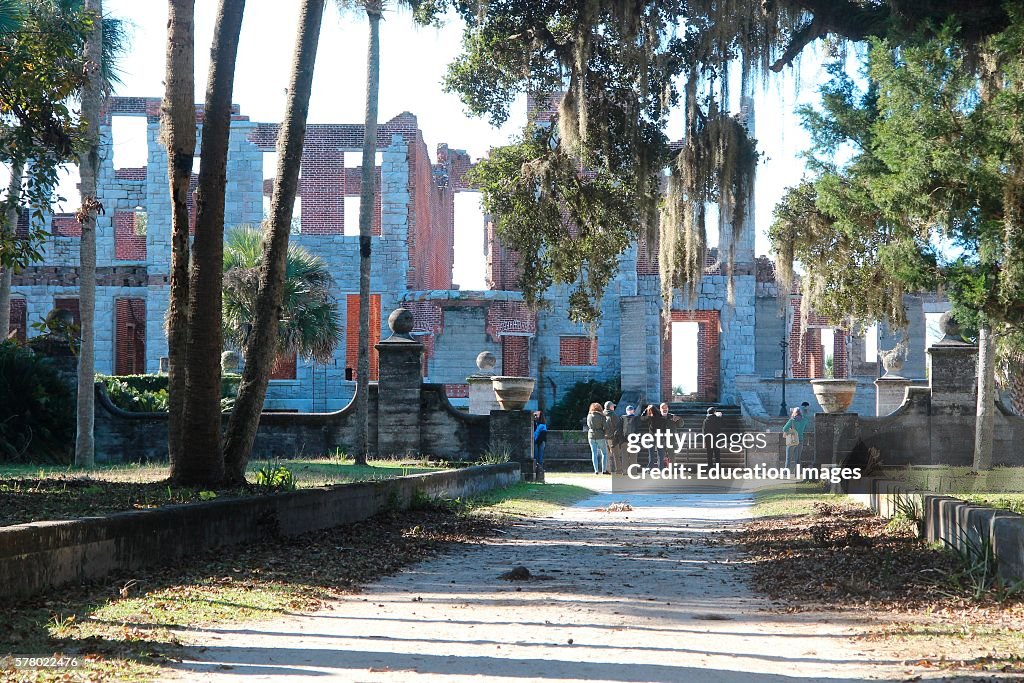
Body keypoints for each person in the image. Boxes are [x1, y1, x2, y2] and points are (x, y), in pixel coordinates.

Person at [641, 402, 680, 468]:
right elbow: (642, 419)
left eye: (665, 408)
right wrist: (646, 410)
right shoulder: (650, 416)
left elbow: (666, 426)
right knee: (651, 454)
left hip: (660, 437)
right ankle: (650, 467)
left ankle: (661, 468)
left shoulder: (662, 416)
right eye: (663, 408)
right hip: (652, 437)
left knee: (660, 454)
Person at [586, 402, 610, 474]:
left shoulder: (589, 416)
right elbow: (605, 427)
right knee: (604, 453)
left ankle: (596, 470)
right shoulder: (601, 416)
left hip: (591, 435)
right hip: (600, 435)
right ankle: (604, 470)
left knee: (594, 453)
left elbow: (588, 425)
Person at [603, 401, 623, 473]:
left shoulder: (602, 414)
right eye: (613, 406)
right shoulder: (613, 415)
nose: (614, 407)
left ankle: (607, 469)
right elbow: (618, 426)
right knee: (616, 454)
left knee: (606, 455)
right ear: (611, 407)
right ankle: (619, 470)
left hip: (604, 437)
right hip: (613, 438)